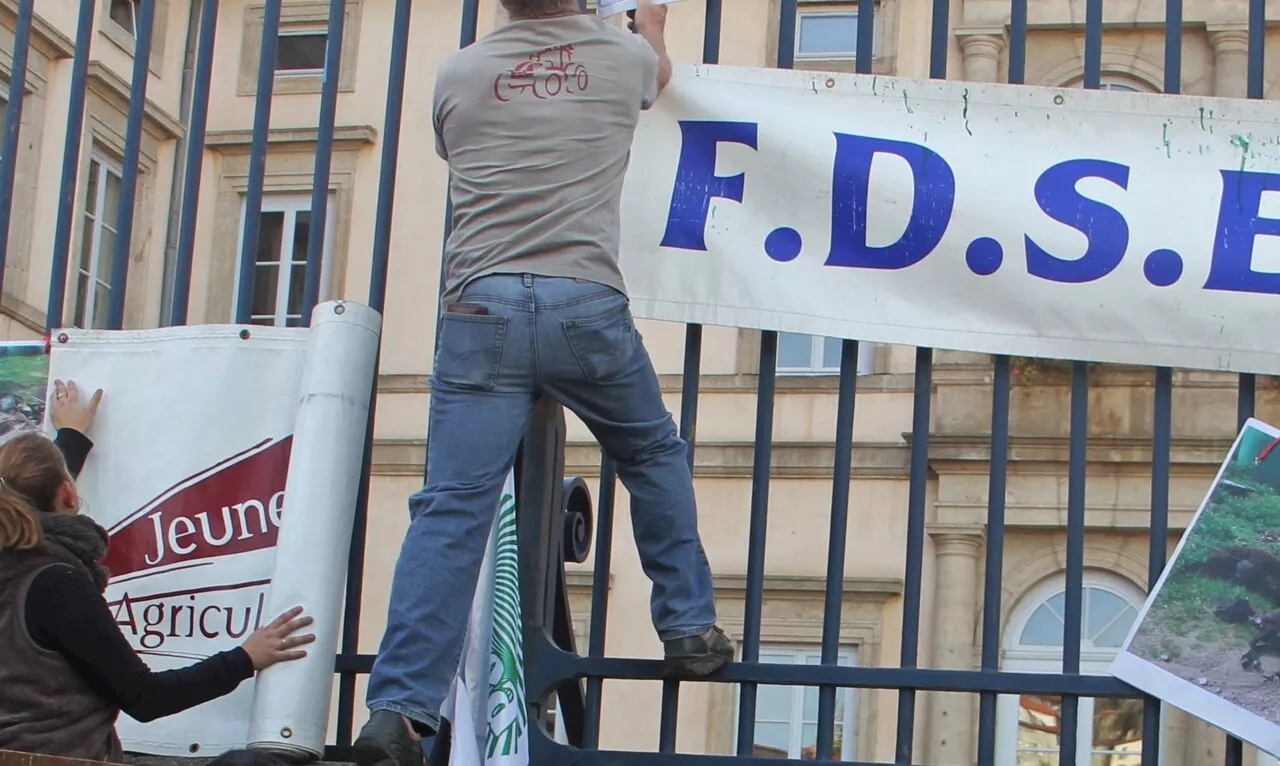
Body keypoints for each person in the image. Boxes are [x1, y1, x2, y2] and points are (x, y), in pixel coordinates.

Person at [355, 2, 731, 765]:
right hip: (584, 301)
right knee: (652, 454)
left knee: (451, 509)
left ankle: (397, 712)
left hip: (479, 304)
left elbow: (451, 143)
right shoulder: (623, 59)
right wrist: (649, 23)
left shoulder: (457, 72)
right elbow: (659, 74)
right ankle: (688, 626)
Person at [0, 385, 316, 763]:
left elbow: (26, 492)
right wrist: (245, 657)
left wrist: (69, 440)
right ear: (69, 492)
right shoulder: (54, 585)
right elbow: (145, 698)